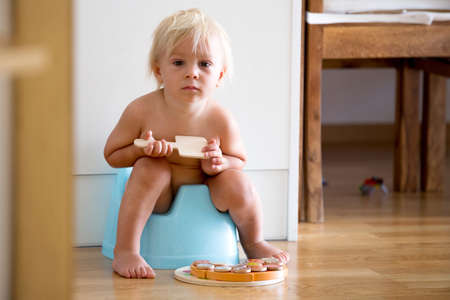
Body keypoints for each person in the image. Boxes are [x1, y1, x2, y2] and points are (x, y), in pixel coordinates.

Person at [104, 8, 289, 279]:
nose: (192, 73)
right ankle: (126, 250)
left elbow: (239, 160)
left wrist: (219, 162)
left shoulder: (221, 119)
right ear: (159, 70)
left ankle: (253, 242)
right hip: (160, 197)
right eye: (179, 63)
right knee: (149, 167)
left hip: (207, 188)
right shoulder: (142, 110)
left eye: (205, 64)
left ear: (220, 76)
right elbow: (112, 155)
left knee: (238, 182)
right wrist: (140, 149)